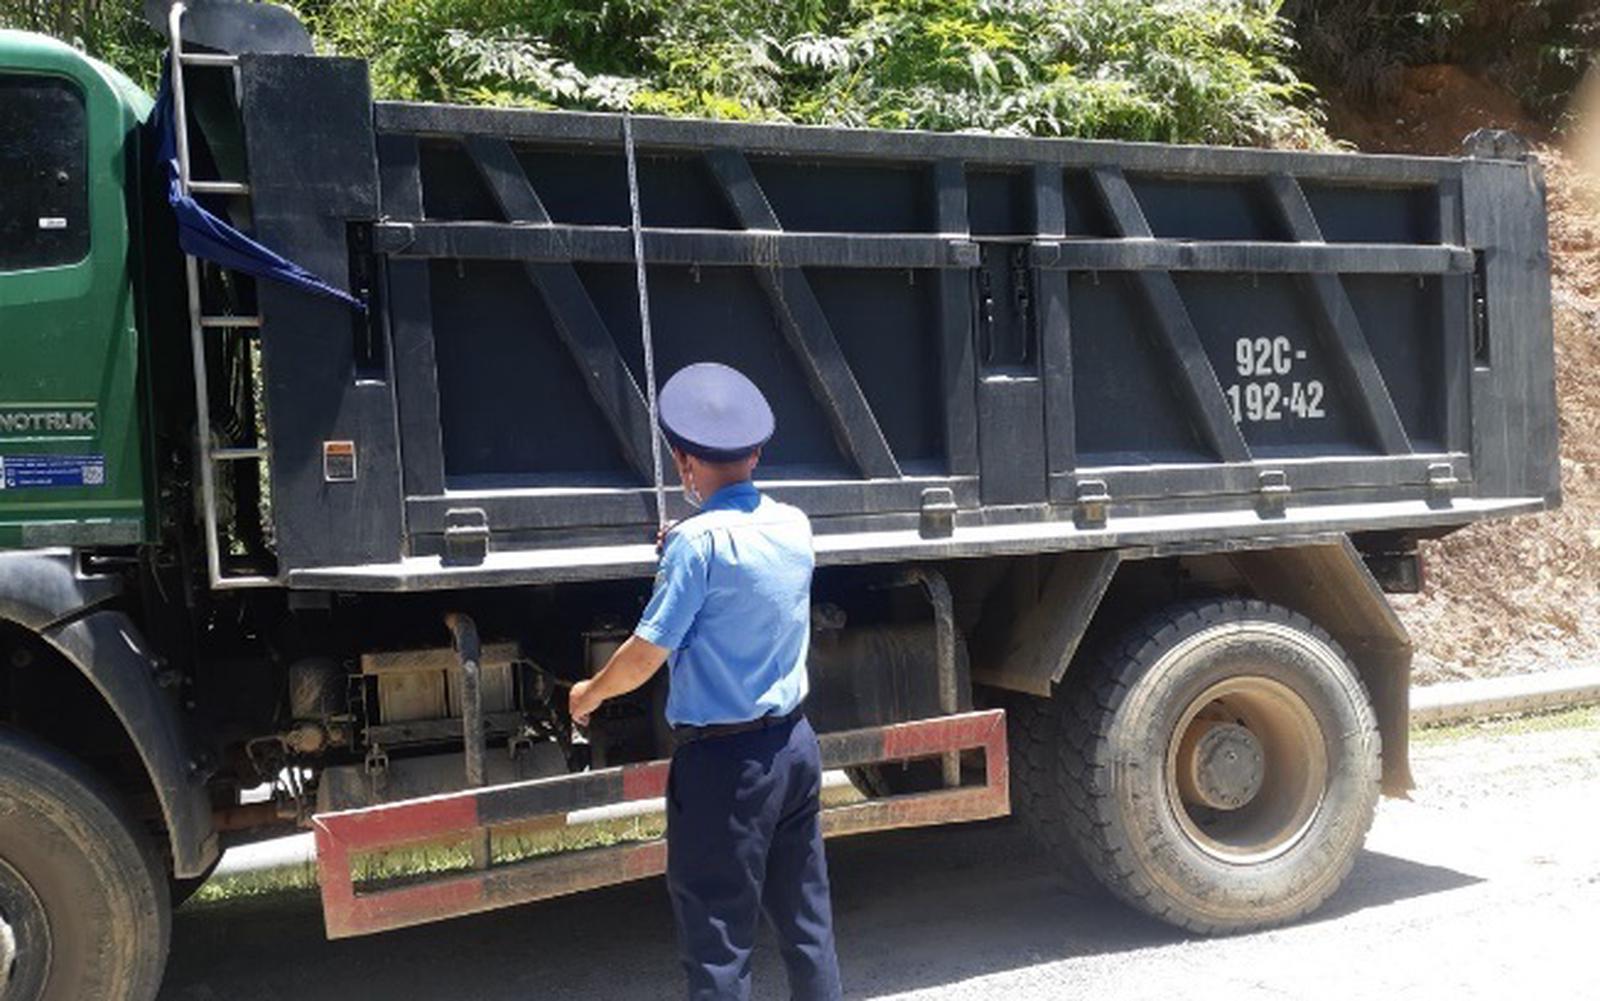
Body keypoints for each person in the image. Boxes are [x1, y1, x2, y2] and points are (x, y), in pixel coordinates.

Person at [568, 362, 843, 1001]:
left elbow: (646, 654)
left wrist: (590, 693)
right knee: (807, 922)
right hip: (794, 747)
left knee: (718, 940)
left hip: (725, 765)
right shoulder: (794, 526)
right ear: (756, 453)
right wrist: (687, 541)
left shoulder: (696, 546)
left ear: (684, 462)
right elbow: (742, 568)